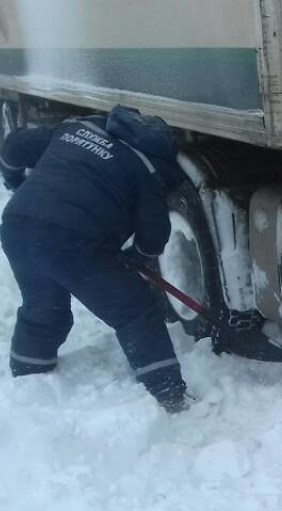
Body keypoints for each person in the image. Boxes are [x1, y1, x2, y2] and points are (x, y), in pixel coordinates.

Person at [0, 105, 188, 412]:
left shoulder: (74, 131)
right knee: (135, 310)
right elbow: (153, 238)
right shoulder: (147, 171)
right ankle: (169, 394)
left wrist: (13, 182)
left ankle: (28, 384)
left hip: (18, 226)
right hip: (71, 241)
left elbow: (12, 147)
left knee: (43, 307)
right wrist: (133, 256)